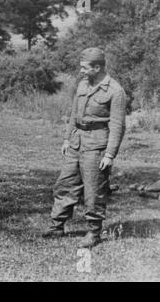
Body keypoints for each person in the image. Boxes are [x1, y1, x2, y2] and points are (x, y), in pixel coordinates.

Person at [42, 48, 127, 248]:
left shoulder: (115, 91)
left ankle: (94, 232)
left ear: (97, 67)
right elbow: (74, 115)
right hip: (76, 142)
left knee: (93, 190)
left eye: (85, 68)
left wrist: (109, 154)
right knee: (65, 184)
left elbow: (117, 126)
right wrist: (66, 139)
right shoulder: (82, 84)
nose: (81, 71)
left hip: (97, 145)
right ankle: (57, 226)